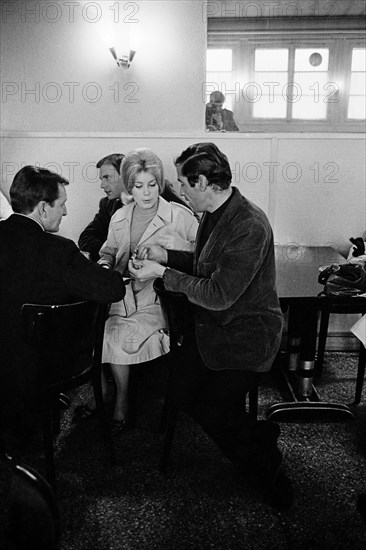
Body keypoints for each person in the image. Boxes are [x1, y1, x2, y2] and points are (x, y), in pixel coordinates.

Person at [129, 143, 293, 510]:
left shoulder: (248, 224)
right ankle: (260, 435)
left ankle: (268, 466)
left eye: (185, 184)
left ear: (203, 181)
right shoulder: (215, 212)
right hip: (214, 330)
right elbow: (208, 266)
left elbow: (219, 293)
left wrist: (163, 273)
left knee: (212, 408)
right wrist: (165, 256)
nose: (180, 191)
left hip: (246, 338)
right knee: (180, 394)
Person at [0, 166, 126, 453]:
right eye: (62, 204)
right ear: (43, 209)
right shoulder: (59, 251)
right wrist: (107, 265)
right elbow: (112, 289)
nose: (66, 212)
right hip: (42, 367)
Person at [91, 148, 198, 434]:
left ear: (159, 183)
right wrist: (104, 263)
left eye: (152, 185)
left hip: (160, 298)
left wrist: (167, 255)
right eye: (139, 186)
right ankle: (105, 391)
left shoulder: (180, 215)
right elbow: (109, 250)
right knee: (90, 330)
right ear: (129, 186)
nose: (147, 193)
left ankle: (120, 401)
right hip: (121, 294)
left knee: (113, 335)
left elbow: (203, 259)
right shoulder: (120, 216)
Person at [78, 153, 193, 262]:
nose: (102, 185)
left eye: (107, 177)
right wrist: (115, 252)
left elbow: (192, 219)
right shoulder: (108, 205)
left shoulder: (162, 193)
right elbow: (86, 237)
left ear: (124, 176)